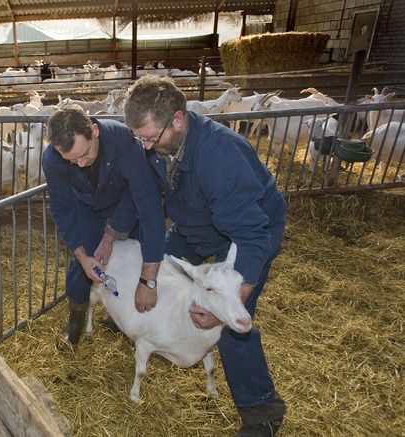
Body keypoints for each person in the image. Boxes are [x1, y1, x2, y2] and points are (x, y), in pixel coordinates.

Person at [124, 75, 287, 437]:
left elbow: (250, 234)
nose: (147, 146)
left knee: (232, 323)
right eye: (141, 139)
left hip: (251, 229)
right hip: (196, 223)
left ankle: (263, 411)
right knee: (158, 265)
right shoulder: (161, 145)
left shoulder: (219, 155)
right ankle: (136, 322)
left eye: (152, 137)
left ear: (178, 120)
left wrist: (224, 306)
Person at [42, 104, 166, 344]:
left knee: (136, 258)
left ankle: (120, 317)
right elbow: (62, 208)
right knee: (83, 267)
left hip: (125, 204)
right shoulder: (53, 159)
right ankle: (75, 325)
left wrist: (112, 236)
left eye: (85, 153)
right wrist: (81, 255)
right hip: (87, 208)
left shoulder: (123, 141)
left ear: (94, 131)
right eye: (72, 160)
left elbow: (146, 202)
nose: (80, 163)